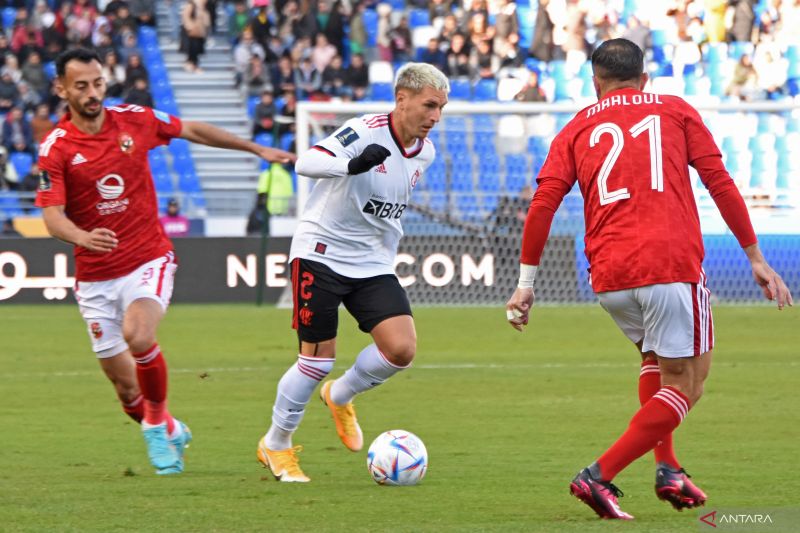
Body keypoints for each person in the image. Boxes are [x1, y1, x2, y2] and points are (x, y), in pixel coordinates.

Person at [505, 39, 793, 520]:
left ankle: (669, 468)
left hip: (608, 276)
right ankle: (598, 475)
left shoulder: (577, 127)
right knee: (688, 384)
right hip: (668, 262)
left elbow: (543, 204)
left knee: (656, 363)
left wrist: (525, 282)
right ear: (645, 78)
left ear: (595, 83)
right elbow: (717, 180)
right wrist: (755, 257)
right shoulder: (675, 110)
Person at [35, 48, 296, 475]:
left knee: (138, 336)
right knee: (124, 390)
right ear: (61, 89)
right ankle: (170, 425)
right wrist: (83, 236)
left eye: (98, 82)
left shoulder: (134, 119)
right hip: (95, 278)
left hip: (147, 259)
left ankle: (156, 426)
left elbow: (192, 129)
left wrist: (253, 148)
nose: (93, 92)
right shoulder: (57, 149)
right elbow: (50, 217)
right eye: (80, 86)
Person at [256, 63, 449, 482]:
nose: (435, 116)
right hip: (321, 252)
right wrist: (352, 166)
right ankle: (276, 445)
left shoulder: (427, 152)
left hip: (373, 262)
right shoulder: (364, 129)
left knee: (401, 350)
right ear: (402, 99)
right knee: (316, 360)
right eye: (429, 105)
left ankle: (340, 395)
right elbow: (306, 163)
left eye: (441, 108)